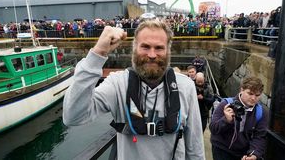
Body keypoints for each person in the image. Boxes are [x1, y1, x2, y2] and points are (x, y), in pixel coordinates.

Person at [63, 19, 205, 160]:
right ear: (134, 48)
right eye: (145, 47)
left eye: (159, 48)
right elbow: (73, 116)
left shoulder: (186, 86)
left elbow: (195, 145)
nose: (152, 55)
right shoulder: (117, 84)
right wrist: (98, 53)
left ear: (168, 50)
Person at [210, 76, 269, 160]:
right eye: (250, 93)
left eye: (257, 95)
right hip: (222, 149)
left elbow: (259, 136)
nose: (253, 98)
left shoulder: (262, 113)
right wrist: (226, 120)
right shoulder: (225, 104)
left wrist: (254, 154)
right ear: (241, 90)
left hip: (243, 153)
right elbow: (213, 128)